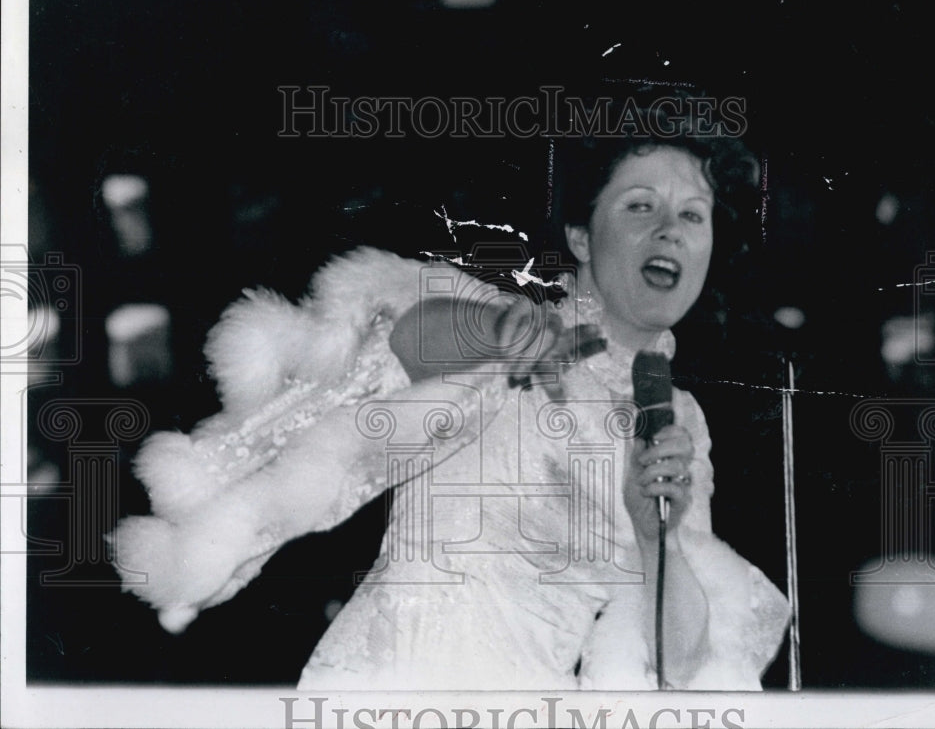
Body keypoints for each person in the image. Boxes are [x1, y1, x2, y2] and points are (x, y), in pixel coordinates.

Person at [112, 110, 790, 690]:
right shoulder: (508, 325)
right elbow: (394, 337)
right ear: (582, 236)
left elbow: (681, 659)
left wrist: (655, 533)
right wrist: (495, 331)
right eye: (641, 205)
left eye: (692, 215)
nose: (670, 229)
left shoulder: (681, 425)